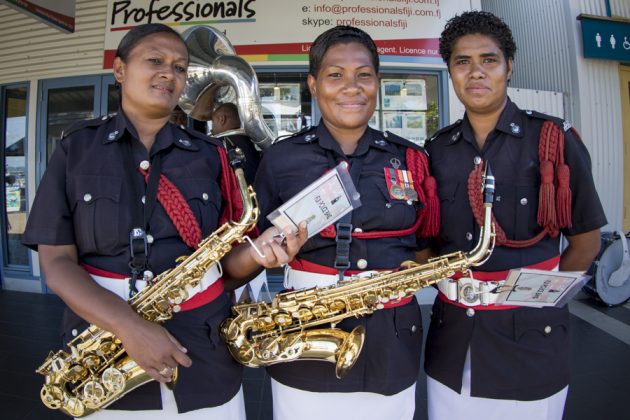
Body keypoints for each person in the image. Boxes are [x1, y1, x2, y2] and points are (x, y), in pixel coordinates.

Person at [22, 23, 306, 419]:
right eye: (154, 61)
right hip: (106, 353)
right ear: (120, 70)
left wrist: (261, 255)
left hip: (205, 353)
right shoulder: (76, 149)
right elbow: (55, 263)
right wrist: (130, 327)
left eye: (179, 67)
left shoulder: (214, 155)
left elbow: (224, 268)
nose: (169, 74)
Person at [422, 11, 607, 420]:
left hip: (530, 345)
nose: (476, 73)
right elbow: (432, 243)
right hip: (453, 344)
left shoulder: (553, 142)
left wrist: (538, 300)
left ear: (510, 65)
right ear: (450, 71)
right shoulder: (436, 151)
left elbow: (585, 243)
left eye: (488, 60)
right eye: (462, 61)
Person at [254, 25, 440, 420]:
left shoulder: (410, 158)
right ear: (313, 84)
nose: (351, 87)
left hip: (392, 336)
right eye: (335, 75)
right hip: (306, 331)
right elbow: (254, 246)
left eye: (364, 75)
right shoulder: (280, 160)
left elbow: (425, 244)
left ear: (377, 82)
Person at [210, 102, 260, 186]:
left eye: (213, 122)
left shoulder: (220, 143)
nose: (212, 127)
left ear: (222, 119)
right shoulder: (250, 141)